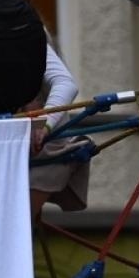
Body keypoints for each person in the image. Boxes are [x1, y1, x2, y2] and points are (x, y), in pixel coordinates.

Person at [27, 43, 93, 222]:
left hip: (44, 149)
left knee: (16, 225)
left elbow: (65, 84)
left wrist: (45, 124)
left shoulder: (26, 34)